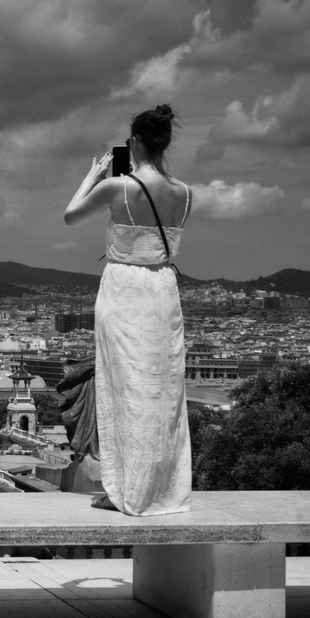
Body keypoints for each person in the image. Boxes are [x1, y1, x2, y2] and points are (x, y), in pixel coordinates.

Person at [62, 104, 193, 515]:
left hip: (124, 286)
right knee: (164, 390)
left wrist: (96, 173)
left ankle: (127, 491)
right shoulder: (185, 193)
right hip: (163, 287)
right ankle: (163, 490)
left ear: (134, 142)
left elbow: (70, 217)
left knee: (124, 386)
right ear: (166, 143)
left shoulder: (117, 188)